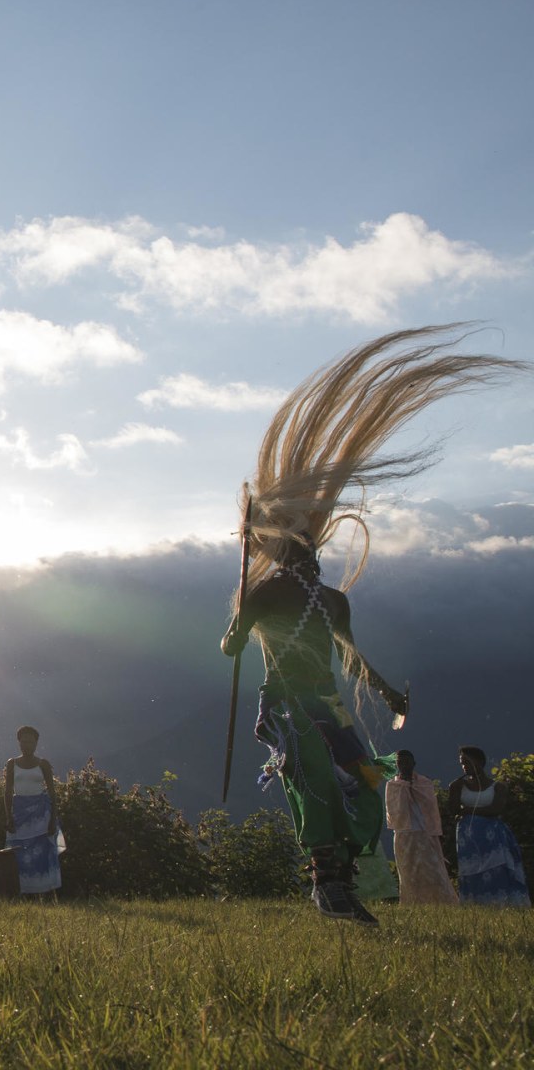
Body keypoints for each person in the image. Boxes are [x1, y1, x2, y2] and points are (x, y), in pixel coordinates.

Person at [221, 326, 526, 926]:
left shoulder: (327, 601)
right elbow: (234, 645)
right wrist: (236, 633)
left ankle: (334, 884)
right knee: (317, 783)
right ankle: (328, 885)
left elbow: (348, 655)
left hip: (327, 704)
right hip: (285, 702)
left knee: (361, 788)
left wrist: (383, 690)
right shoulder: (266, 593)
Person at [449, 746, 529, 908]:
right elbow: (453, 810)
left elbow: (495, 809)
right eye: (462, 763)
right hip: (468, 838)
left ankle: (501, 903)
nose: (464, 766)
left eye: (467, 762)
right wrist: (454, 789)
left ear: (479, 762)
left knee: (496, 868)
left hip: (493, 836)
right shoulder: (458, 786)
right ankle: (475, 905)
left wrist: (468, 810)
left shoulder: (497, 786)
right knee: (471, 871)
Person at [383, 750, 456, 904]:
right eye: (400, 762)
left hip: (425, 832)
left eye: (407, 762)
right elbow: (394, 811)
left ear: (414, 763)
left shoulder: (424, 783)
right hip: (404, 834)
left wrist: (411, 787)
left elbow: (430, 807)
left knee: (434, 870)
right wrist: (404, 788)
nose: (404, 765)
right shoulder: (392, 785)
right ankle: (414, 903)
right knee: (409, 872)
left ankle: (443, 901)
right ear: (396, 765)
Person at [3, 725, 63, 898]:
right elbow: (7, 792)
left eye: (30, 741)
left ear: (36, 743)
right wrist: (8, 817)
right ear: (19, 743)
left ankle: (45, 894)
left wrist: (53, 819)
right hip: (19, 811)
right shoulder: (12, 764)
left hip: (41, 813)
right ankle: (23, 893)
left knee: (42, 852)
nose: (26, 745)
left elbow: (52, 793)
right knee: (20, 851)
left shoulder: (43, 764)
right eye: (23, 741)